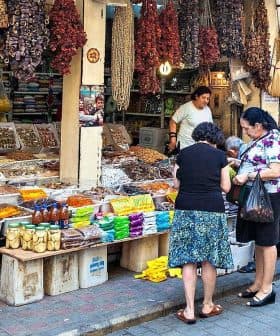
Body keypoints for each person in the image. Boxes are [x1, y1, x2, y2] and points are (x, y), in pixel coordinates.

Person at [168, 122, 233, 324]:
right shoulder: (220, 156)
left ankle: (188, 310)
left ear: (197, 135)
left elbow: (176, 184)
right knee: (208, 259)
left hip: (186, 208)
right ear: (215, 138)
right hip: (212, 210)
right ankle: (207, 305)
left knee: (188, 259)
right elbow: (226, 187)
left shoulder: (183, 154)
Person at [233, 107, 280, 307]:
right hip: (257, 195)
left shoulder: (273, 140)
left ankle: (267, 289)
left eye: (246, 128)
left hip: (269, 197)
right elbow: (257, 163)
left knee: (268, 242)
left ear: (258, 126)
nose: (245, 132)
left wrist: (248, 176)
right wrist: (237, 163)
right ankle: (258, 283)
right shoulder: (260, 139)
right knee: (259, 242)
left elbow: (276, 171)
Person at [168, 86, 213, 152]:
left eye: (208, 98)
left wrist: (212, 143)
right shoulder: (186, 107)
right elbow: (173, 121)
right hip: (185, 146)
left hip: (201, 147)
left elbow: (210, 127)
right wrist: (173, 139)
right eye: (203, 97)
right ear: (196, 96)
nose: (206, 101)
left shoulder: (207, 110)